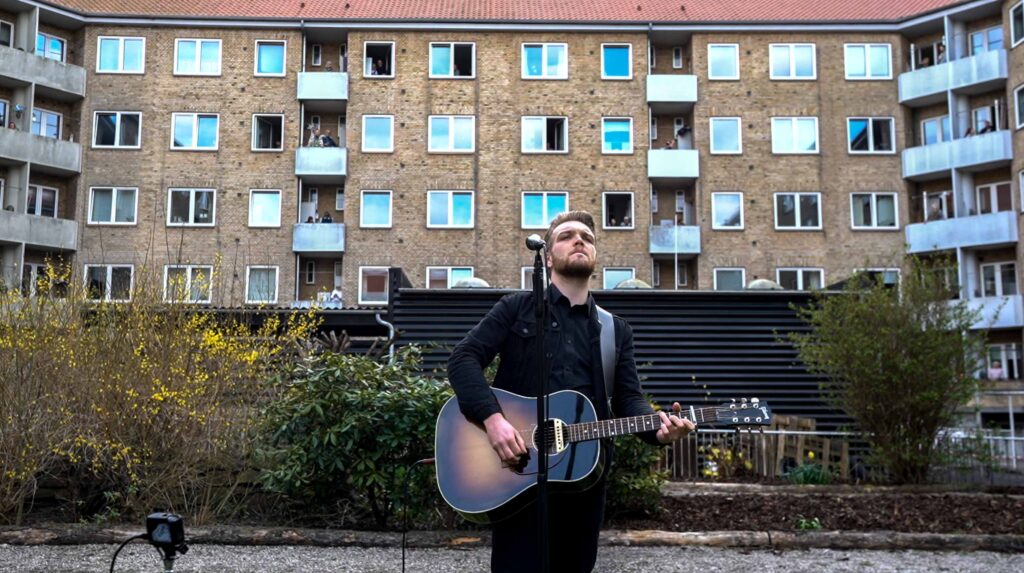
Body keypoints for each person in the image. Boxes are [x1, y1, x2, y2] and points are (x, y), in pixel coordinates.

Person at [448, 210, 694, 573]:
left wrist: (658, 430)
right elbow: (463, 359)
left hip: (584, 482)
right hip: (520, 471)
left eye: (587, 238)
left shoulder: (614, 330)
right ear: (548, 257)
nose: (579, 240)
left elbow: (628, 399)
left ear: (594, 257)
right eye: (566, 236)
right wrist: (493, 420)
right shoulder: (516, 309)